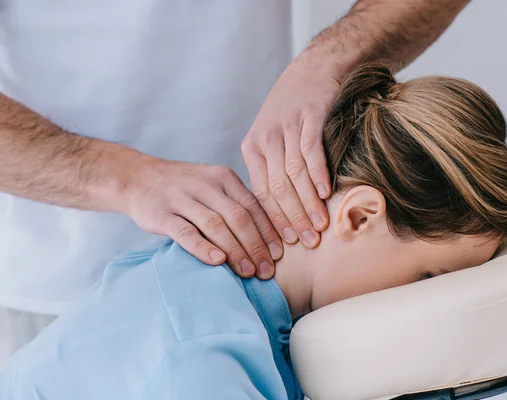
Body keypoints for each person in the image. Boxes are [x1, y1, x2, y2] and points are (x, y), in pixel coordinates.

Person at [0, 63, 507, 399]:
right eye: (428, 277)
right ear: (359, 215)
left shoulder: (212, 284)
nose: (428, 305)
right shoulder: (208, 356)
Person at [0, 0, 471, 367]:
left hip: (265, 277)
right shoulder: (198, 362)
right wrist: (121, 178)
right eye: (428, 278)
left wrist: (329, 60)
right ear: (360, 215)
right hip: (51, 279)